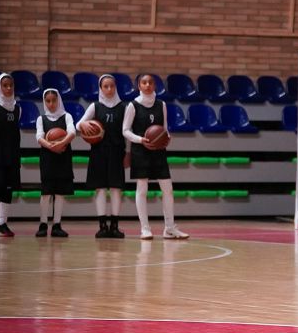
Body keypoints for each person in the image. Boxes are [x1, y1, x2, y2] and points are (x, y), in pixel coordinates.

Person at [123, 73, 189, 241]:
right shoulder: (133, 105)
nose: (147, 85)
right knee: (142, 190)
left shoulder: (161, 104)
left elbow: (164, 128)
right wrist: (140, 140)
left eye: (150, 82)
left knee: (168, 189)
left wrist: (167, 138)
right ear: (139, 86)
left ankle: (169, 228)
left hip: (158, 151)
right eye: (144, 82)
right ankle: (145, 229)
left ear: (155, 85)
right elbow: (125, 130)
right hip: (140, 150)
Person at [76, 74, 128, 238]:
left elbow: (127, 132)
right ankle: (102, 226)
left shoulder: (123, 107)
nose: (109, 89)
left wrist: (128, 153)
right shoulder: (95, 106)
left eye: (112, 86)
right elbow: (78, 125)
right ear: (100, 88)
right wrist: (83, 123)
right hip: (98, 151)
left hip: (117, 151)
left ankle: (115, 226)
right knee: (100, 188)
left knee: (116, 188)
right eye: (106, 86)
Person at [35, 89, 76, 238]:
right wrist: (51, 146)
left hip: (63, 157)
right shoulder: (41, 119)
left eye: (54, 100)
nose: (51, 103)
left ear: (58, 100)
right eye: (48, 101)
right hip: (47, 158)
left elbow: (72, 132)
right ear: (44, 102)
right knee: (46, 193)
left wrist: (61, 143)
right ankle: (43, 224)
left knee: (60, 193)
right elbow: (39, 137)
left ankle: (57, 225)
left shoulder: (67, 116)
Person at [0, 73, 23, 237]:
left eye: (11, 85)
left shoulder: (18, 109)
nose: (8, 88)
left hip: (12, 156)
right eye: (5, 85)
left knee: (7, 190)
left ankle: (3, 224)